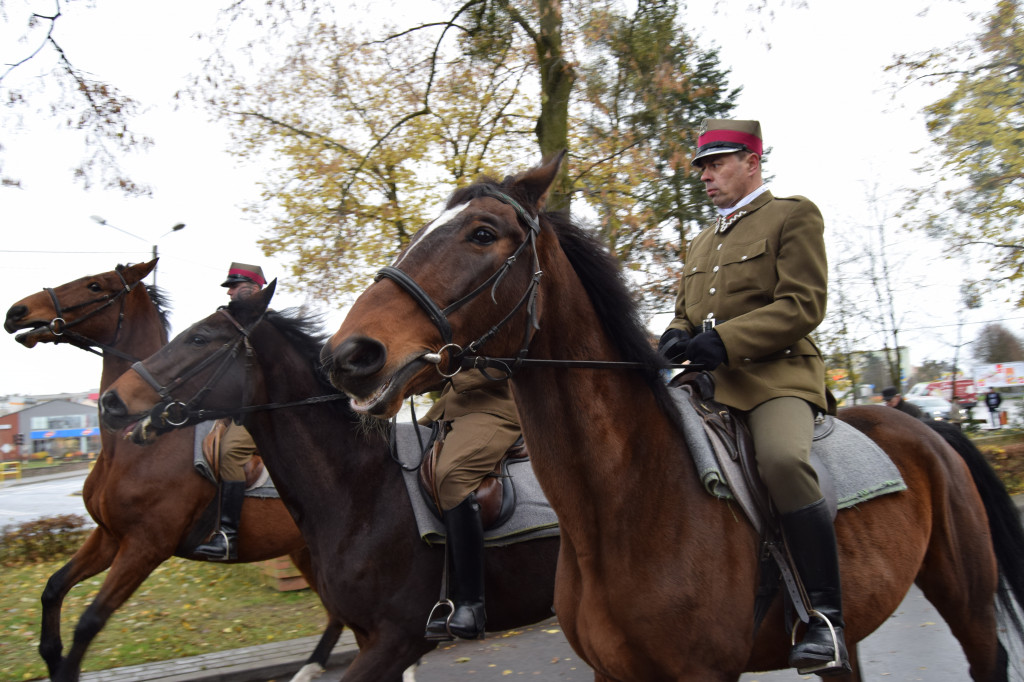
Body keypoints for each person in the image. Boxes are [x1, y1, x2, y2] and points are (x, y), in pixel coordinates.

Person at [658, 119, 850, 674]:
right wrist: (675, 333)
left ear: (752, 163)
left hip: (777, 377)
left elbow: (803, 304)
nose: (707, 176)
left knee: (783, 462)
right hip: (710, 380)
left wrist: (725, 340)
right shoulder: (701, 240)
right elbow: (686, 312)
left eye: (717, 164)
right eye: (702, 167)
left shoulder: (793, 215)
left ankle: (825, 617)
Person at [419, 369, 521, 640]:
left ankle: (472, 607)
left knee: (452, 476)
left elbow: (505, 362)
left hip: (493, 410)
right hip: (448, 411)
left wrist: (436, 374)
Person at [192, 262, 267, 561]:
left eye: (235, 286)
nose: (231, 291)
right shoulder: (234, 324)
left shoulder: (265, 326)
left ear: (254, 289)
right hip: (233, 409)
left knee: (230, 452)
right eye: (231, 287)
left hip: (261, 413)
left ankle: (227, 536)